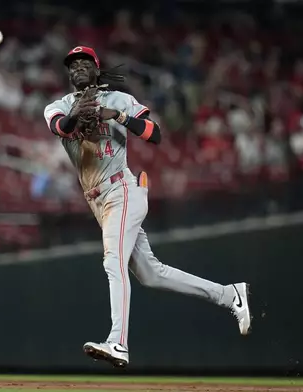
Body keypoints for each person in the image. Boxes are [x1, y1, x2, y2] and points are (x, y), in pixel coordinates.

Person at [43, 46, 251, 368]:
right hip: (98, 202)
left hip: (122, 190)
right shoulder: (58, 107)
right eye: (74, 65)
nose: (79, 68)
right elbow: (62, 128)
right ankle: (229, 295)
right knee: (152, 274)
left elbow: (155, 134)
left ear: (97, 71)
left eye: (86, 63)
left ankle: (118, 342)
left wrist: (118, 116)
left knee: (114, 262)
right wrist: (77, 113)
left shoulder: (118, 100)